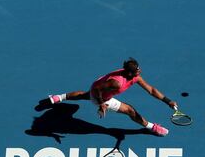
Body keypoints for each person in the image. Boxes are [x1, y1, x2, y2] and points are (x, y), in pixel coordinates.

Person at [47, 57, 177, 136]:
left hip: (98, 85)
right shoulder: (117, 83)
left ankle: (58, 97)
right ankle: (151, 127)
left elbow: (152, 90)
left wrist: (168, 101)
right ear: (130, 73)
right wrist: (101, 104)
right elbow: (97, 90)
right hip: (100, 94)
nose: (140, 71)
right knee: (130, 110)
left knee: (84, 95)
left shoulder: (134, 76)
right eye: (137, 70)